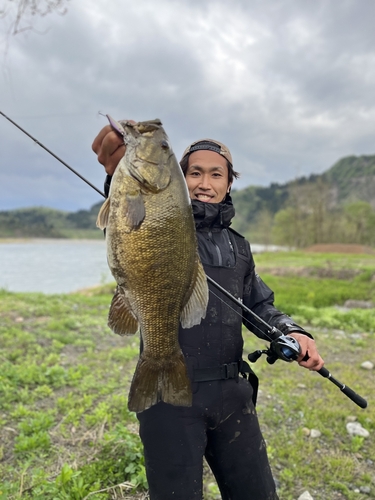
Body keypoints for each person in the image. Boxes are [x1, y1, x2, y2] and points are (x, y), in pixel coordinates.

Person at [92, 123, 324, 500]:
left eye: (216, 173)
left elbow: (259, 303)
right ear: (179, 180)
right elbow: (129, 223)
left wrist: (293, 331)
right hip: (171, 399)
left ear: (229, 183)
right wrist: (115, 174)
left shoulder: (239, 246)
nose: (205, 182)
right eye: (194, 172)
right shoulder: (160, 221)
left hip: (233, 394)